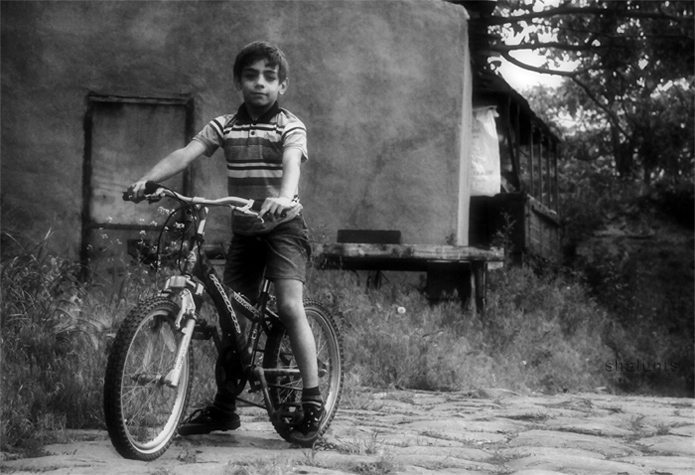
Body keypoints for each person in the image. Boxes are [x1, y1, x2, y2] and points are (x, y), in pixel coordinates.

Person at [128, 41, 323, 442]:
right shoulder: (225, 126)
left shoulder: (290, 125)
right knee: (230, 318)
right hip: (246, 233)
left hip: (284, 227)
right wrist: (150, 181)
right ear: (239, 82)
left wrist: (285, 197)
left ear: (282, 85)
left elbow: (291, 164)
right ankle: (224, 408)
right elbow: (187, 152)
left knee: (288, 305)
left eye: (270, 77)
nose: (260, 84)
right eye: (251, 76)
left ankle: (312, 397)